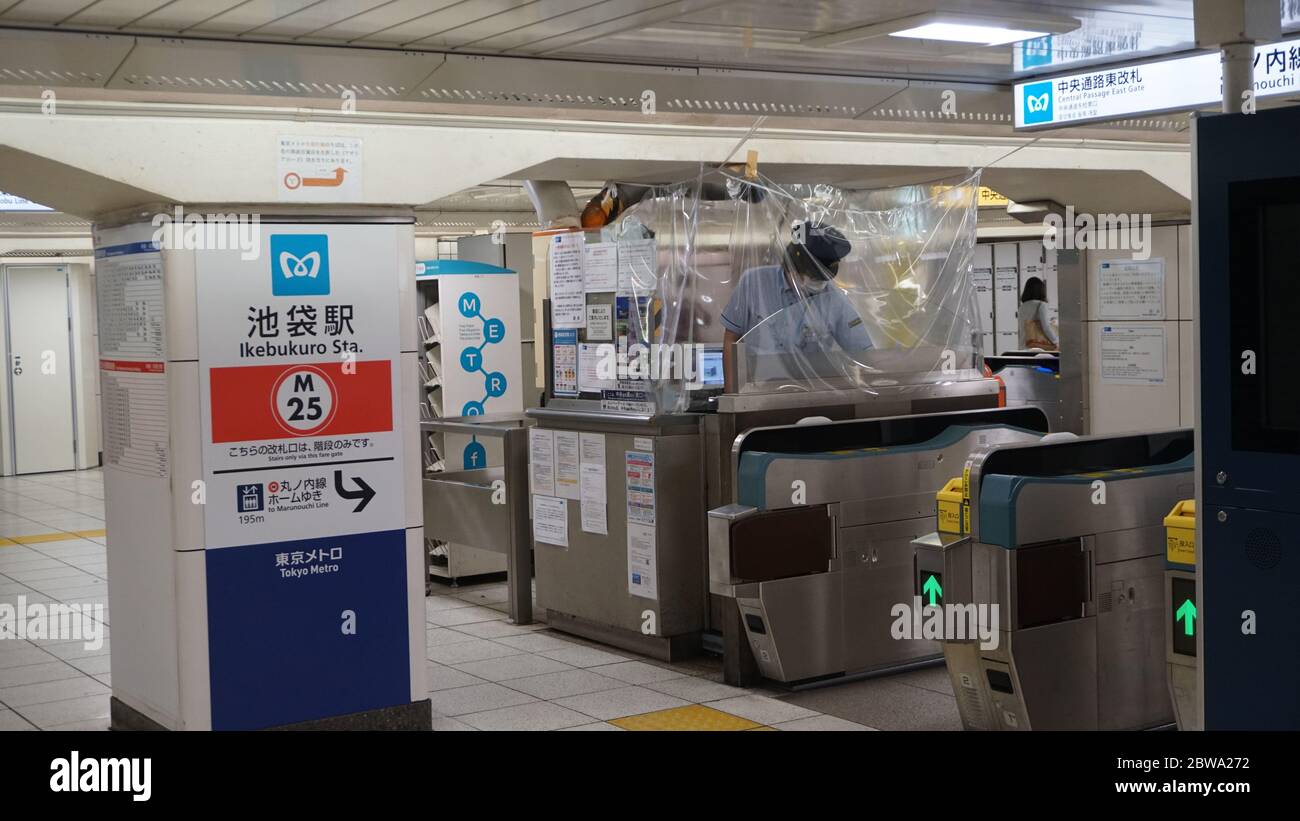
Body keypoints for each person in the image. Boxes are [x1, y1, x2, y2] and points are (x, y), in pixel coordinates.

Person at [720, 224, 872, 391]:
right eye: (812, 277)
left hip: (809, 395)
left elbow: (864, 353)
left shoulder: (833, 298)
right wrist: (731, 394)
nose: (817, 284)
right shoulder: (754, 283)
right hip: (758, 391)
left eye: (822, 279)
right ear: (791, 266)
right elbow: (731, 340)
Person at [1019, 276, 1058, 350]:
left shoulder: (1022, 307)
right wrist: (1056, 341)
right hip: (1038, 347)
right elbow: (1046, 327)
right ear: (1041, 290)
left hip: (1024, 347)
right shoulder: (1041, 304)